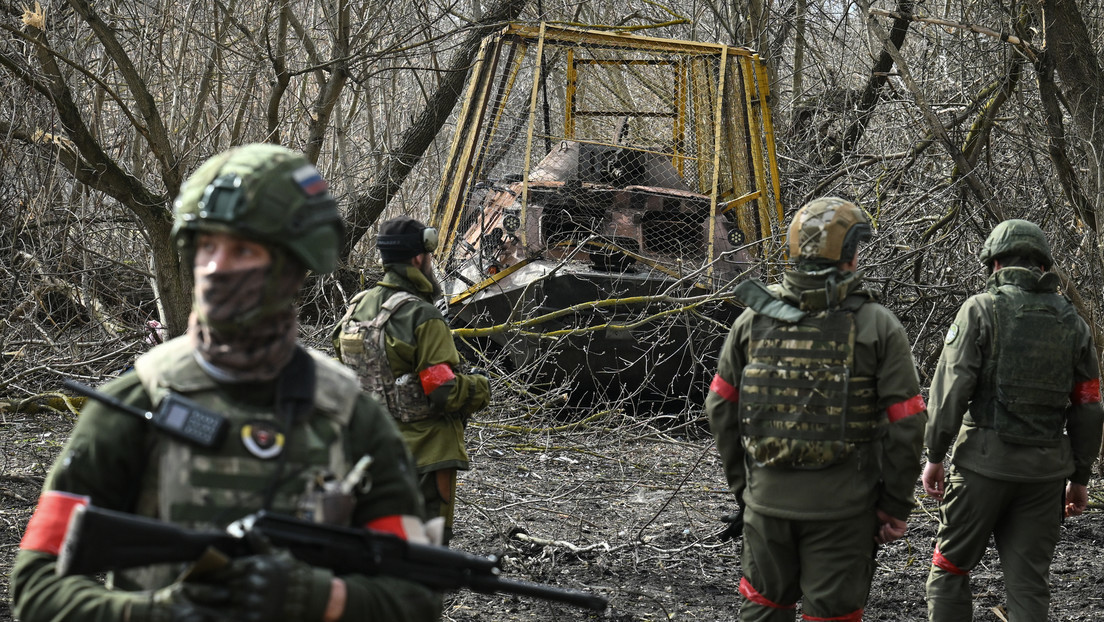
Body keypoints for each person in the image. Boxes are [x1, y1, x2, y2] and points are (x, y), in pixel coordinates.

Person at [11, 144, 442, 622]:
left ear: (292, 266)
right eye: (207, 246)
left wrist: (321, 599)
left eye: (242, 249)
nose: (216, 268)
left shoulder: (350, 418)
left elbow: (417, 598)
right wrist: (156, 614)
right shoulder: (136, 402)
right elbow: (36, 588)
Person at [706, 196, 927, 621]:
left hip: (766, 505)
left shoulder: (753, 319)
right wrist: (893, 506)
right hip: (843, 512)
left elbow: (720, 407)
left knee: (764, 610)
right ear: (849, 254)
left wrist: (748, 491)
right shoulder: (877, 325)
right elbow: (908, 423)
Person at [923, 219, 1103, 621]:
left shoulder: (981, 309)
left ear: (996, 263)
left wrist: (935, 454)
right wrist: (1080, 477)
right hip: (1045, 476)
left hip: (982, 467)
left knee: (950, 569)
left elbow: (951, 388)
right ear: (1042, 265)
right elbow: (1089, 406)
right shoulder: (1074, 324)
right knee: (1029, 585)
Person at [333, 216, 489, 546]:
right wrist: (478, 387)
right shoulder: (422, 316)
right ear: (419, 258)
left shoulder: (356, 308)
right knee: (423, 554)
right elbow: (442, 389)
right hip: (424, 457)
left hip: (367, 452)